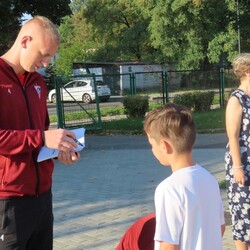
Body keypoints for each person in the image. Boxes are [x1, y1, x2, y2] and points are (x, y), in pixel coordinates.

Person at [0, 16, 80, 249]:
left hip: (43, 196)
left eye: (50, 57)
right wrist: (43, 137)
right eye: (43, 54)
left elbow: (40, 134)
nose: (46, 63)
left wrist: (59, 149)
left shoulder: (38, 83)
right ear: (25, 41)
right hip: (8, 199)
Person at [143, 103, 225, 250]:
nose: (152, 150)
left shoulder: (169, 189)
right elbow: (220, 228)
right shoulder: (210, 179)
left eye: (152, 144)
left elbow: (168, 245)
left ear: (164, 146)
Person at [225, 53, 250, 250]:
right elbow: (232, 136)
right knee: (242, 214)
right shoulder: (237, 99)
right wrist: (238, 167)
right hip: (242, 163)